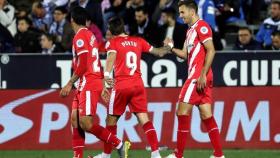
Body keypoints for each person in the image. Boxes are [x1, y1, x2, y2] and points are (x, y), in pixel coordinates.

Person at [93, 16, 171, 158]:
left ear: (111, 30)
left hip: (122, 86)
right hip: (138, 85)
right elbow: (159, 52)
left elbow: (111, 58)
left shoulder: (113, 42)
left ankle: (106, 155)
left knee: (110, 121)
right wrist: (169, 46)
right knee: (144, 119)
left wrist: (105, 76)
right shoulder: (138, 41)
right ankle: (155, 153)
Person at [59, 7, 130, 158]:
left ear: (72, 20)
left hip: (89, 81)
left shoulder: (79, 37)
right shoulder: (89, 34)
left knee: (86, 123)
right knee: (75, 119)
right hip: (88, 81)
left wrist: (69, 83)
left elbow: (84, 63)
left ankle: (118, 143)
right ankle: (78, 156)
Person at [164, 1, 224, 158]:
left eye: (182, 12)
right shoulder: (189, 31)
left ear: (192, 11)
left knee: (181, 111)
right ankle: (218, 154)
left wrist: (203, 74)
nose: (180, 15)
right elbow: (185, 55)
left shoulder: (202, 26)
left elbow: (211, 50)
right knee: (206, 115)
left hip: (198, 76)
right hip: (198, 75)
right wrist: (171, 48)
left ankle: (178, 154)